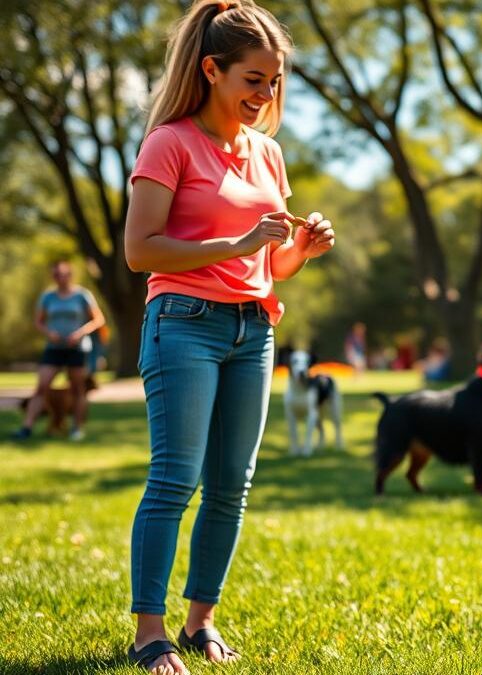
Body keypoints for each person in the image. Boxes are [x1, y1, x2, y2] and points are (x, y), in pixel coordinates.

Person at [122, 2, 335, 673]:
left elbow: (268, 266)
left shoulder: (269, 154)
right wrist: (240, 239)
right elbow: (140, 250)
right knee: (174, 477)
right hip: (182, 323)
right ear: (211, 70)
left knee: (230, 485)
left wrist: (301, 249)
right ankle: (148, 633)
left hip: (253, 327)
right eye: (252, 78)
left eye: (273, 81)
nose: (265, 94)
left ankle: (199, 621)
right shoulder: (169, 143)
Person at [12, 260, 105, 441]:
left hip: (76, 348)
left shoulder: (82, 295)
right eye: (56, 275)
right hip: (54, 348)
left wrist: (80, 333)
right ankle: (26, 427)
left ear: (69, 274)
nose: (60, 278)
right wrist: (49, 333)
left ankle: (77, 429)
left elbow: (98, 319)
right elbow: (38, 321)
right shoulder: (48, 297)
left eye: (63, 274)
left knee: (78, 389)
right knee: (41, 387)